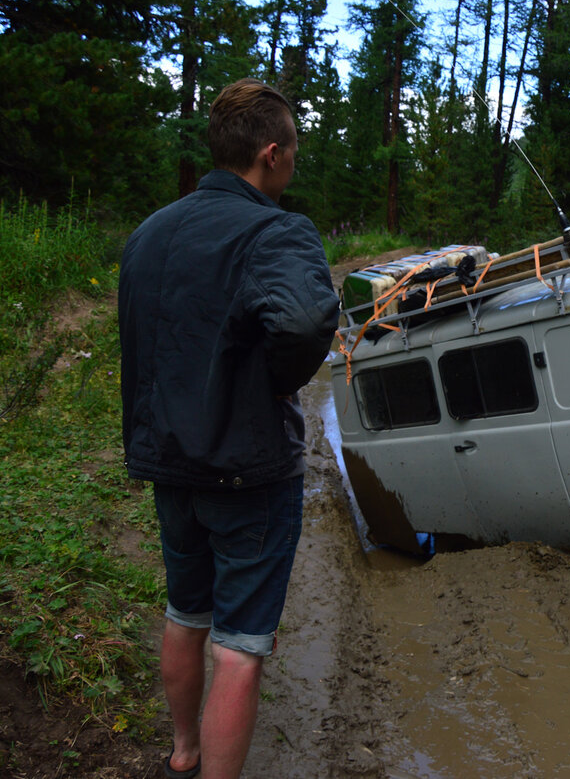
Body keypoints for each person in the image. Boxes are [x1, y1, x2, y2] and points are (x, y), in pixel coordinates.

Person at [118, 78, 341, 779]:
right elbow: (307, 320)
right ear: (270, 153)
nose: (294, 162)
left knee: (186, 611)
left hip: (169, 465)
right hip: (247, 469)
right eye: (294, 150)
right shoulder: (277, 229)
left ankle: (184, 749)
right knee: (240, 645)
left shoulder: (149, 233)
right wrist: (279, 380)